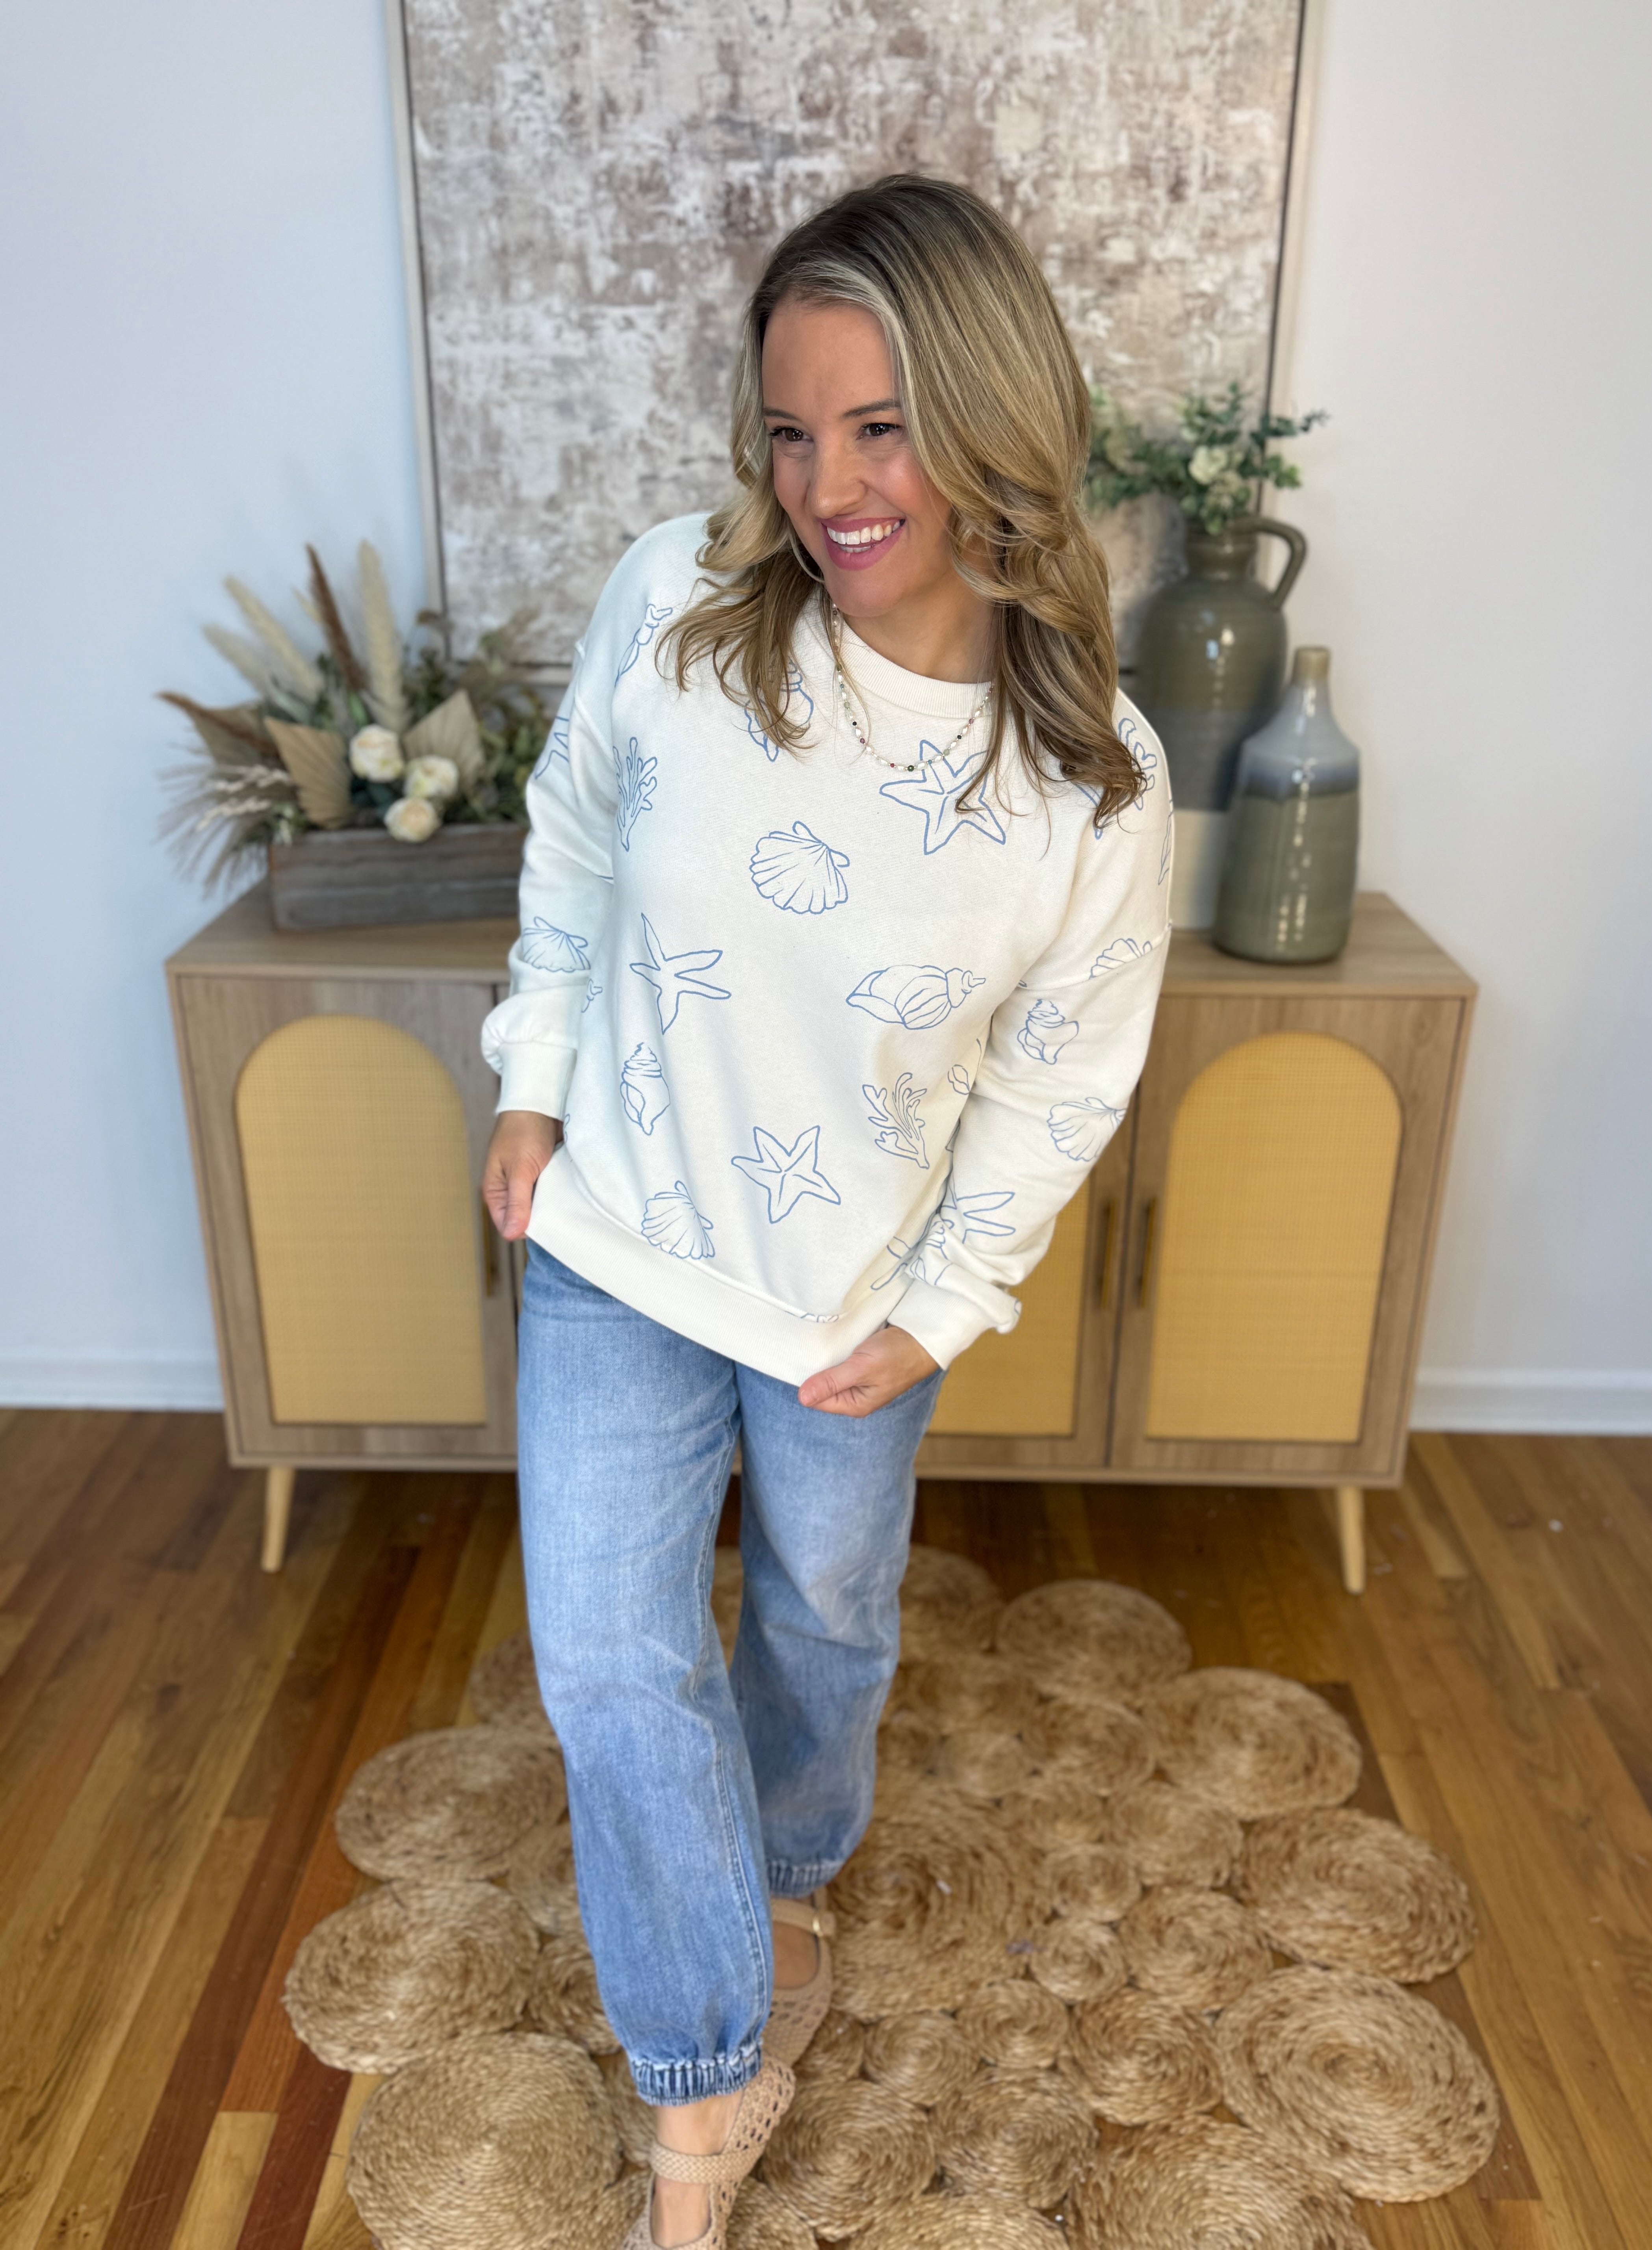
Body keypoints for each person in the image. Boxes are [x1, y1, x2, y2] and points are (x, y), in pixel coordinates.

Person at [479, 172, 1172, 2250]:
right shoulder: (680, 601)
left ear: (990, 423)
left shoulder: (1088, 783)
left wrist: (947, 1303)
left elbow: (1060, 1083)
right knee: (612, 1664)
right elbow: (575, 837)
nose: (828, 488)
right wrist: (532, 1079)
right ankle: (703, 2086)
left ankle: (783, 1883)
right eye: (791, 432)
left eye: (881, 430)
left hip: (853, 1299)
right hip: (614, 1238)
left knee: (824, 1622)